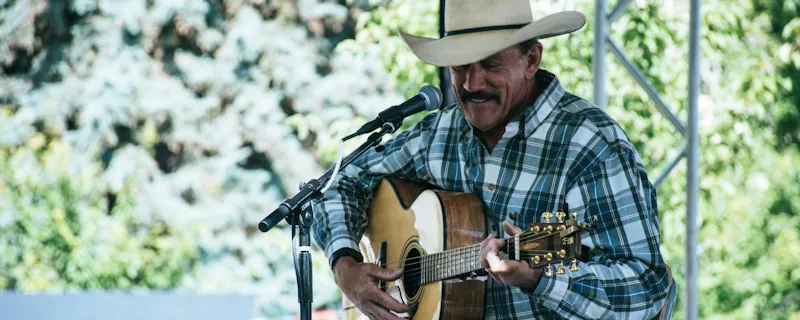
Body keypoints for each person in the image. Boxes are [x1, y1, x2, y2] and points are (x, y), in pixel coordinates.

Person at [312, 0, 676, 319]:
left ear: (531, 59)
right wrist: (345, 264)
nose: (472, 83)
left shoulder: (588, 144)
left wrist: (540, 279)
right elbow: (340, 181)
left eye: (490, 64)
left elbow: (644, 289)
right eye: (459, 66)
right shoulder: (440, 132)